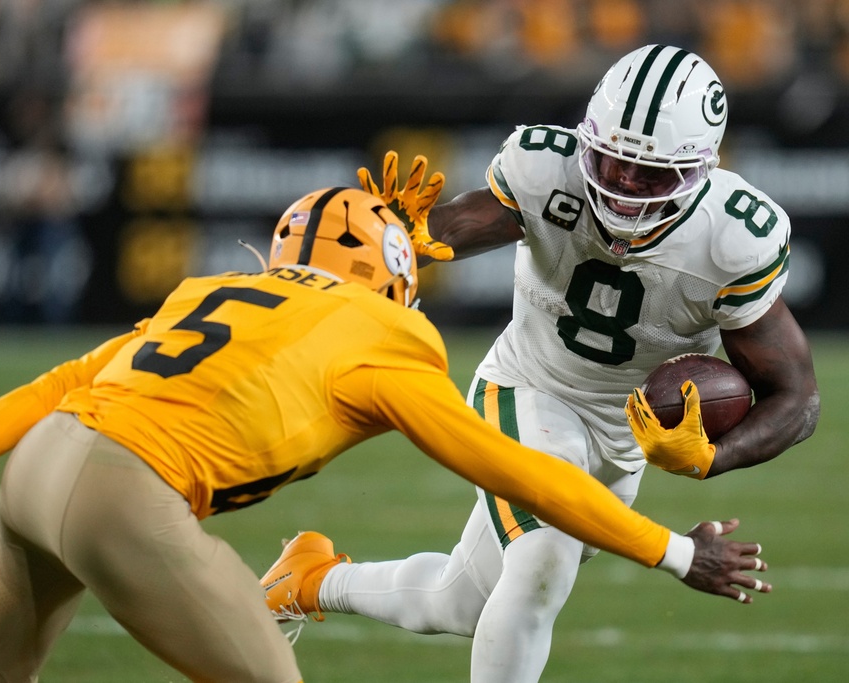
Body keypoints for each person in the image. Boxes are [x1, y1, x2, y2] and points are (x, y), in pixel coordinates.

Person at [0, 187, 770, 683]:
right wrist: (673, 552)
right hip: (126, 496)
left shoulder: (210, 289)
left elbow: (57, 385)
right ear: (390, 273)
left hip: (37, 471)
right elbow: (521, 474)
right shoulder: (387, 338)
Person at [260, 44, 819, 682]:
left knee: (462, 600)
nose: (626, 184)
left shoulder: (734, 238)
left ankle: (309, 579)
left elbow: (797, 398)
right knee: (542, 561)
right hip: (528, 388)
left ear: (699, 171)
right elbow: (458, 226)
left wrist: (715, 457)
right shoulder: (545, 168)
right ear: (588, 141)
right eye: (613, 160)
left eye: (652, 174)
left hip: (622, 434)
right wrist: (405, 237)